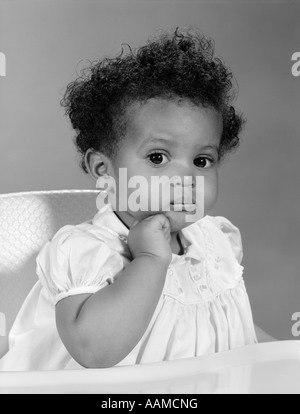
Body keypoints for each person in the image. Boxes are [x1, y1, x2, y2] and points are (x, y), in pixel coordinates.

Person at [0, 29, 274, 371]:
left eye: (202, 161)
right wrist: (149, 259)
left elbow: (232, 329)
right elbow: (94, 351)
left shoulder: (215, 243)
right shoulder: (86, 253)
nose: (185, 179)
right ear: (103, 167)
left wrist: (281, 358)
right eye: (158, 157)